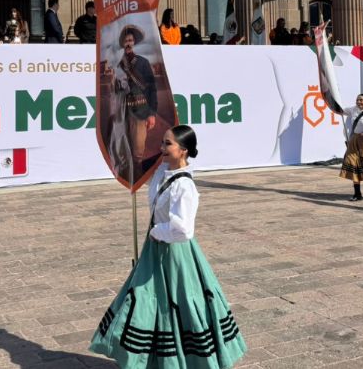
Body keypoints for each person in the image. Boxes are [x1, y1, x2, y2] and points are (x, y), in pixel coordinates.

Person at [90, 125, 247, 367]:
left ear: (183, 150)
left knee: (165, 302)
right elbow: (147, 183)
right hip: (154, 250)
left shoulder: (184, 186)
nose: (162, 148)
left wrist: (156, 231)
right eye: (163, 142)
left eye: (168, 144)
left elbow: (184, 230)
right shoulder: (163, 172)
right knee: (147, 299)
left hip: (174, 253)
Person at [118, 25, 157, 176]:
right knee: (122, 146)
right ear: (122, 43)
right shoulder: (117, 63)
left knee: (138, 149)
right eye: (126, 40)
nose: (128, 43)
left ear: (134, 42)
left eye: (131, 40)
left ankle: (138, 175)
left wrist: (152, 112)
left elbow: (151, 89)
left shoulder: (142, 62)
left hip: (140, 109)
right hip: (121, 109)